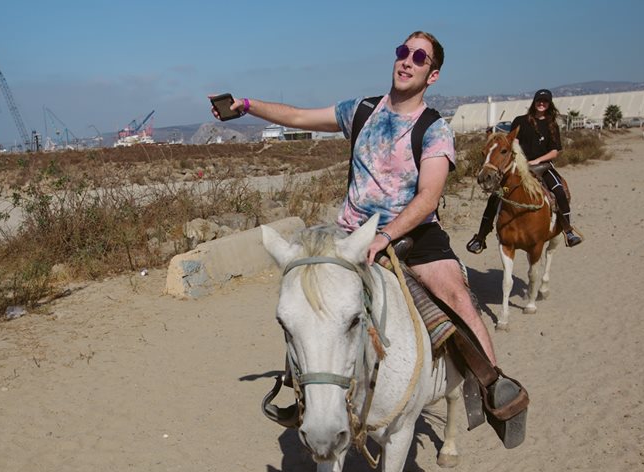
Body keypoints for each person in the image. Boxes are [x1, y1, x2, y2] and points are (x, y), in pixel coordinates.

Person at [212, 31, 528, 441]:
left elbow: (430, 194)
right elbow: (299, 117)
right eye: (403, 52)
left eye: (419, 56)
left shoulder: (434, 129)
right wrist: (248, 106)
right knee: (306, 302)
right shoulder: (361, 111)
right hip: (351, 232)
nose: (407, 60)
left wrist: (387, 235)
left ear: (432, 74)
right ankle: (301, 389)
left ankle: (491, 384)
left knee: (455, 296)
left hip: (415, 233)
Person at [466, 89, 583, 253]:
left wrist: (537, 160)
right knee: (497, 195)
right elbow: (513, 142)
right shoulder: (520, 121)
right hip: (520, 167)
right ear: (534, 102)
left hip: (543, 167)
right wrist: (521, 161)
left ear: (549, 105)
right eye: (539, 101)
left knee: (559, 191)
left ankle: (568, 230)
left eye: (545, 101)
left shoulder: (552, 125)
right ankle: (480, 237)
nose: (541, 104)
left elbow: (555, 151)